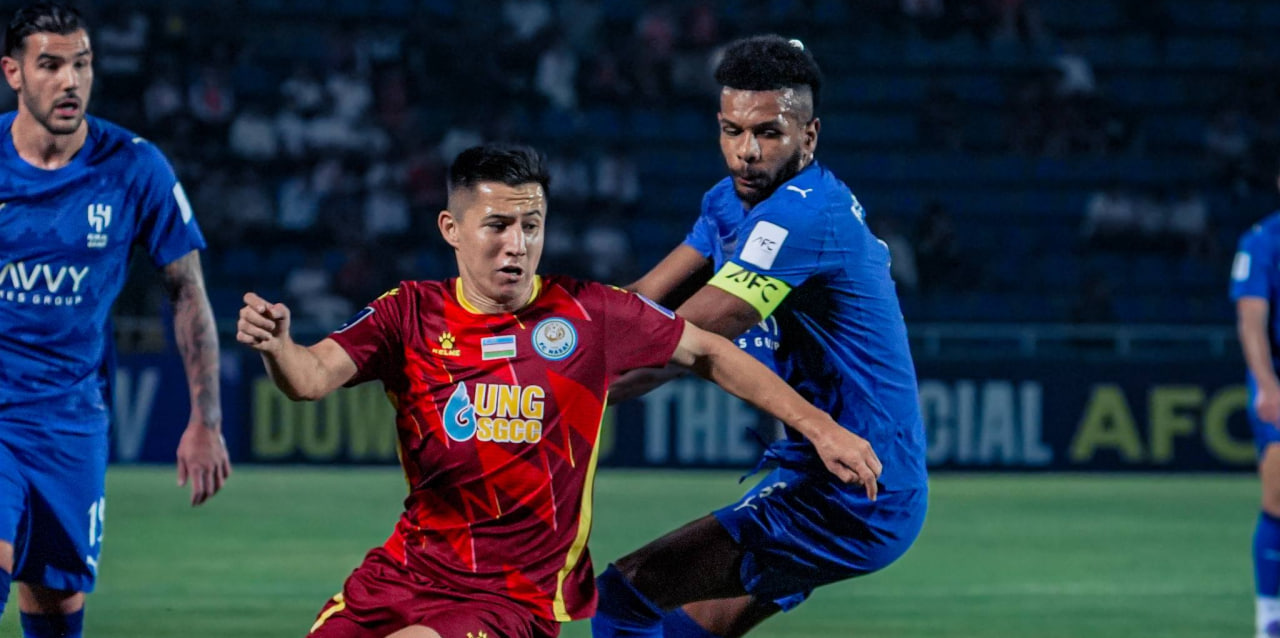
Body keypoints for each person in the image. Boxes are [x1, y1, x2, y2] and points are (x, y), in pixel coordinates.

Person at [236, 144, 881, 638]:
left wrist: (820, 428)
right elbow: (310, 378)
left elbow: (709, 350)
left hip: (511, 599)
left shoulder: (587, 314)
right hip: (404, 573)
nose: (517, 246)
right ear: (451, 228)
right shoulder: (408, 313)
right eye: (497, 225)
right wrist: (278, 347)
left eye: (532, 225)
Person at [591, 35, 929, 637]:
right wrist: (544, 336)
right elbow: (642, 300)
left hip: (856, 489)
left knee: (625, 596)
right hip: (817, 474)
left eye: (768, 133)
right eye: (732, 130)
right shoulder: (728, 201)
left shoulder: (806, 214)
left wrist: (550, 396)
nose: (746, 151)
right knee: (680, 630)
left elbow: (681, 337)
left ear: (809, 136)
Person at [0, 3, 230, 637]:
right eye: (50, 65)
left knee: (54, 603)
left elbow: (187, 292)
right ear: (13, 73)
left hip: (69, 423)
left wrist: (206, 420)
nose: (70, 81)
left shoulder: (133, 167)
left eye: (81, 64)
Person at [1231, 175, 1280, 638]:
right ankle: (1269, 617)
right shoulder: (1262, 241)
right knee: (1278, 494)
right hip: (1279, 380)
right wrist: (1267, 385)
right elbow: (1251, 319)